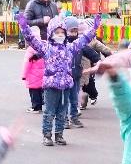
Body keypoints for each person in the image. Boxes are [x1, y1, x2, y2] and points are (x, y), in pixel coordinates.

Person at [17, 13, 102, 146]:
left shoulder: (70, 48)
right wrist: (23, 26)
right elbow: (32, 39)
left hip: (65, 87)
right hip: (51, 87)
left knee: (62, 113)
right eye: (57, 32)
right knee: (49, 112)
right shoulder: (46, 48)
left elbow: (83, 40)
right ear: (51, 33)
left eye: (62, 32)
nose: (60, 34)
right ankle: (47, 135)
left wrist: (94, 28)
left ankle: (59, 135)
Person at [64, 16, 103, 127]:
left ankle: (74, 117)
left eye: (75, 31)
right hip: (64, 78)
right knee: (65, 99)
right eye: (71, 31)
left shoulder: (79, 44)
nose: (74, 33)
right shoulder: (62, 44)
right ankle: (64, 119)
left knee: (74, 99)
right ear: (65, 30)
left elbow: (90, 52)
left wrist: (97, 60)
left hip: (76, 75)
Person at [22, 47, 45, 112]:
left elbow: (27, 64)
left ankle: (35, 108)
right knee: (39, 91)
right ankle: (39, 107)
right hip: (41, 74)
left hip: (33, 75)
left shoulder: (30, 51)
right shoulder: (42, 48)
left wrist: (24, 75)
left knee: (33, 91)